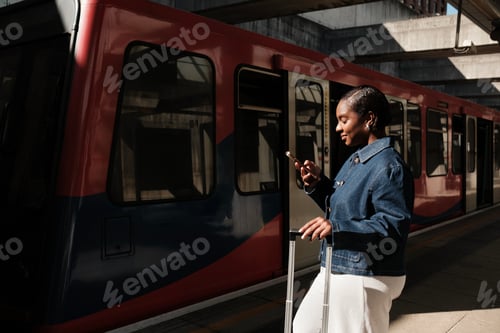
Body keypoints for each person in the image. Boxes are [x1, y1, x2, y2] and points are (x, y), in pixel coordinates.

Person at [292, 85, 414, 333]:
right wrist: (319, 185)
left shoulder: (389, 166)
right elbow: (345, 206)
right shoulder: (357, 159)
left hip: (366, 271)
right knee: (304, 326)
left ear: (369, 118)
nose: (338, 128)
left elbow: (392, 226)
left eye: (343, 120)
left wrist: (336, 228)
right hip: (340, 264)